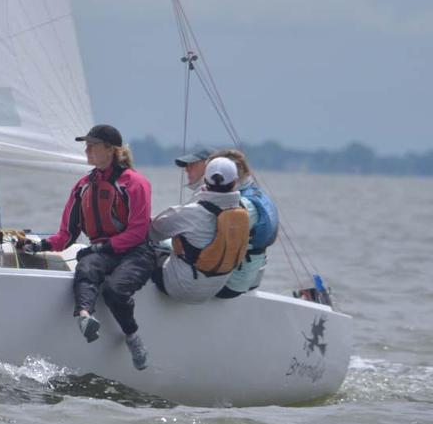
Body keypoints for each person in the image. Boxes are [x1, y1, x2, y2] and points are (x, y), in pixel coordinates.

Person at [20, 124, 153, 370]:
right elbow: (66, 235)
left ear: (110, 150)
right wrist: (38, 246)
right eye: (86, 145)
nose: (86, 150)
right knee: (86, 268)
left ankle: (133, 337)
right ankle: (85, 316)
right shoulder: (83, 186)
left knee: (114, 290)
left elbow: (138, 232)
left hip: (136, 253)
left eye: (92, 145)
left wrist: (101, 248)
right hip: (102, 253)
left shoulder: (135, 183)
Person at [147, 156, 250, 303]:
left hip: (181, 288)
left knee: (143, 255)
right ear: (235, 181)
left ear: (205, 180)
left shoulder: (192, 212)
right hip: (215, 288)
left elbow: (152, 231)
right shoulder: (243, 211)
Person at [208, 149, 280, 298]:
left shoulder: (243, 206)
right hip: (249, 277)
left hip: (231, 284)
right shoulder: (256, 195)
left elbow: (204, 236)